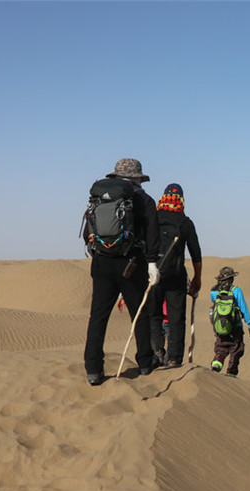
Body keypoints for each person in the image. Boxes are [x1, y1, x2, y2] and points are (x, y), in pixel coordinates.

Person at [83, 158, 161, 386]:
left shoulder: (98, 198)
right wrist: (152, 263)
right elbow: (152, 234)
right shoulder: (144, 200)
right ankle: (146, 362)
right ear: (138, 178)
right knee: (139, 313)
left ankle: (93, 369)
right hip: (131, 264)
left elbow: (89, 229)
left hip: (101, 262)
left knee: (98, 316)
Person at [147, 183, 202, 369]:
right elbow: (196, 254)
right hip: (176, 276)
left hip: (153, 273)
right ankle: (174, 358)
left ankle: (157, 351)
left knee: (153, 314)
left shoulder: (152, 218)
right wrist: (197, 278)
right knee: (176, 318)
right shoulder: (185, 222)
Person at [209, 266, 250, 377]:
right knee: (237, 347)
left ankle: (217, 362)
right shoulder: (236, 290)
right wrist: (249, 324)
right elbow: (243, 307)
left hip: (219, 325)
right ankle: (231, 370)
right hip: (235, 325)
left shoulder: (214, 291)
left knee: (221, 346)